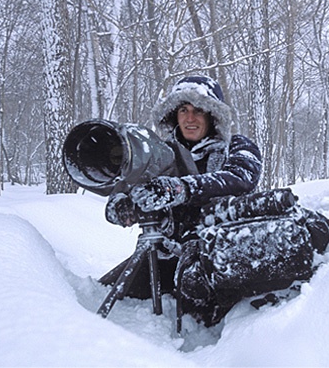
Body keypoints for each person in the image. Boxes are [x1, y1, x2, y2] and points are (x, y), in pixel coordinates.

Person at [105, 75, 263, 325]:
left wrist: (180, 189)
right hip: (165, 256)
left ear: (213, 115)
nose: (190, 118)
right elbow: (120, 194)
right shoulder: (158, 154)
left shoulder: (237, 146)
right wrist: (125, 206)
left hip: (218, 259)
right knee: (102, 296)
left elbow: (240, 177)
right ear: (173, 115)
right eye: (183, 110)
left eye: (199, 110)